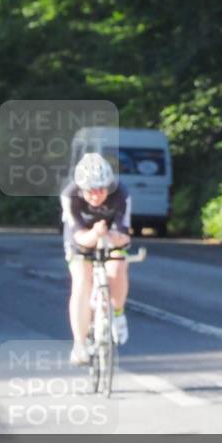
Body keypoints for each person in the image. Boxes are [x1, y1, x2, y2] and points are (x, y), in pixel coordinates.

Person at [61, 152, 133, 366]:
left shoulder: (122, 193)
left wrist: (109, 236)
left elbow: (125, 235)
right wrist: (95, 234)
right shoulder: (70, 195)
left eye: (101, 189)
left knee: (118, 267)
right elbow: (79, 236)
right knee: (82, 281)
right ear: (81, 188)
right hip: (82, 236)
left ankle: (118, 314)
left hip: (111, 234)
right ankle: (80, 344)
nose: (96, 195)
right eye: (90, 191)